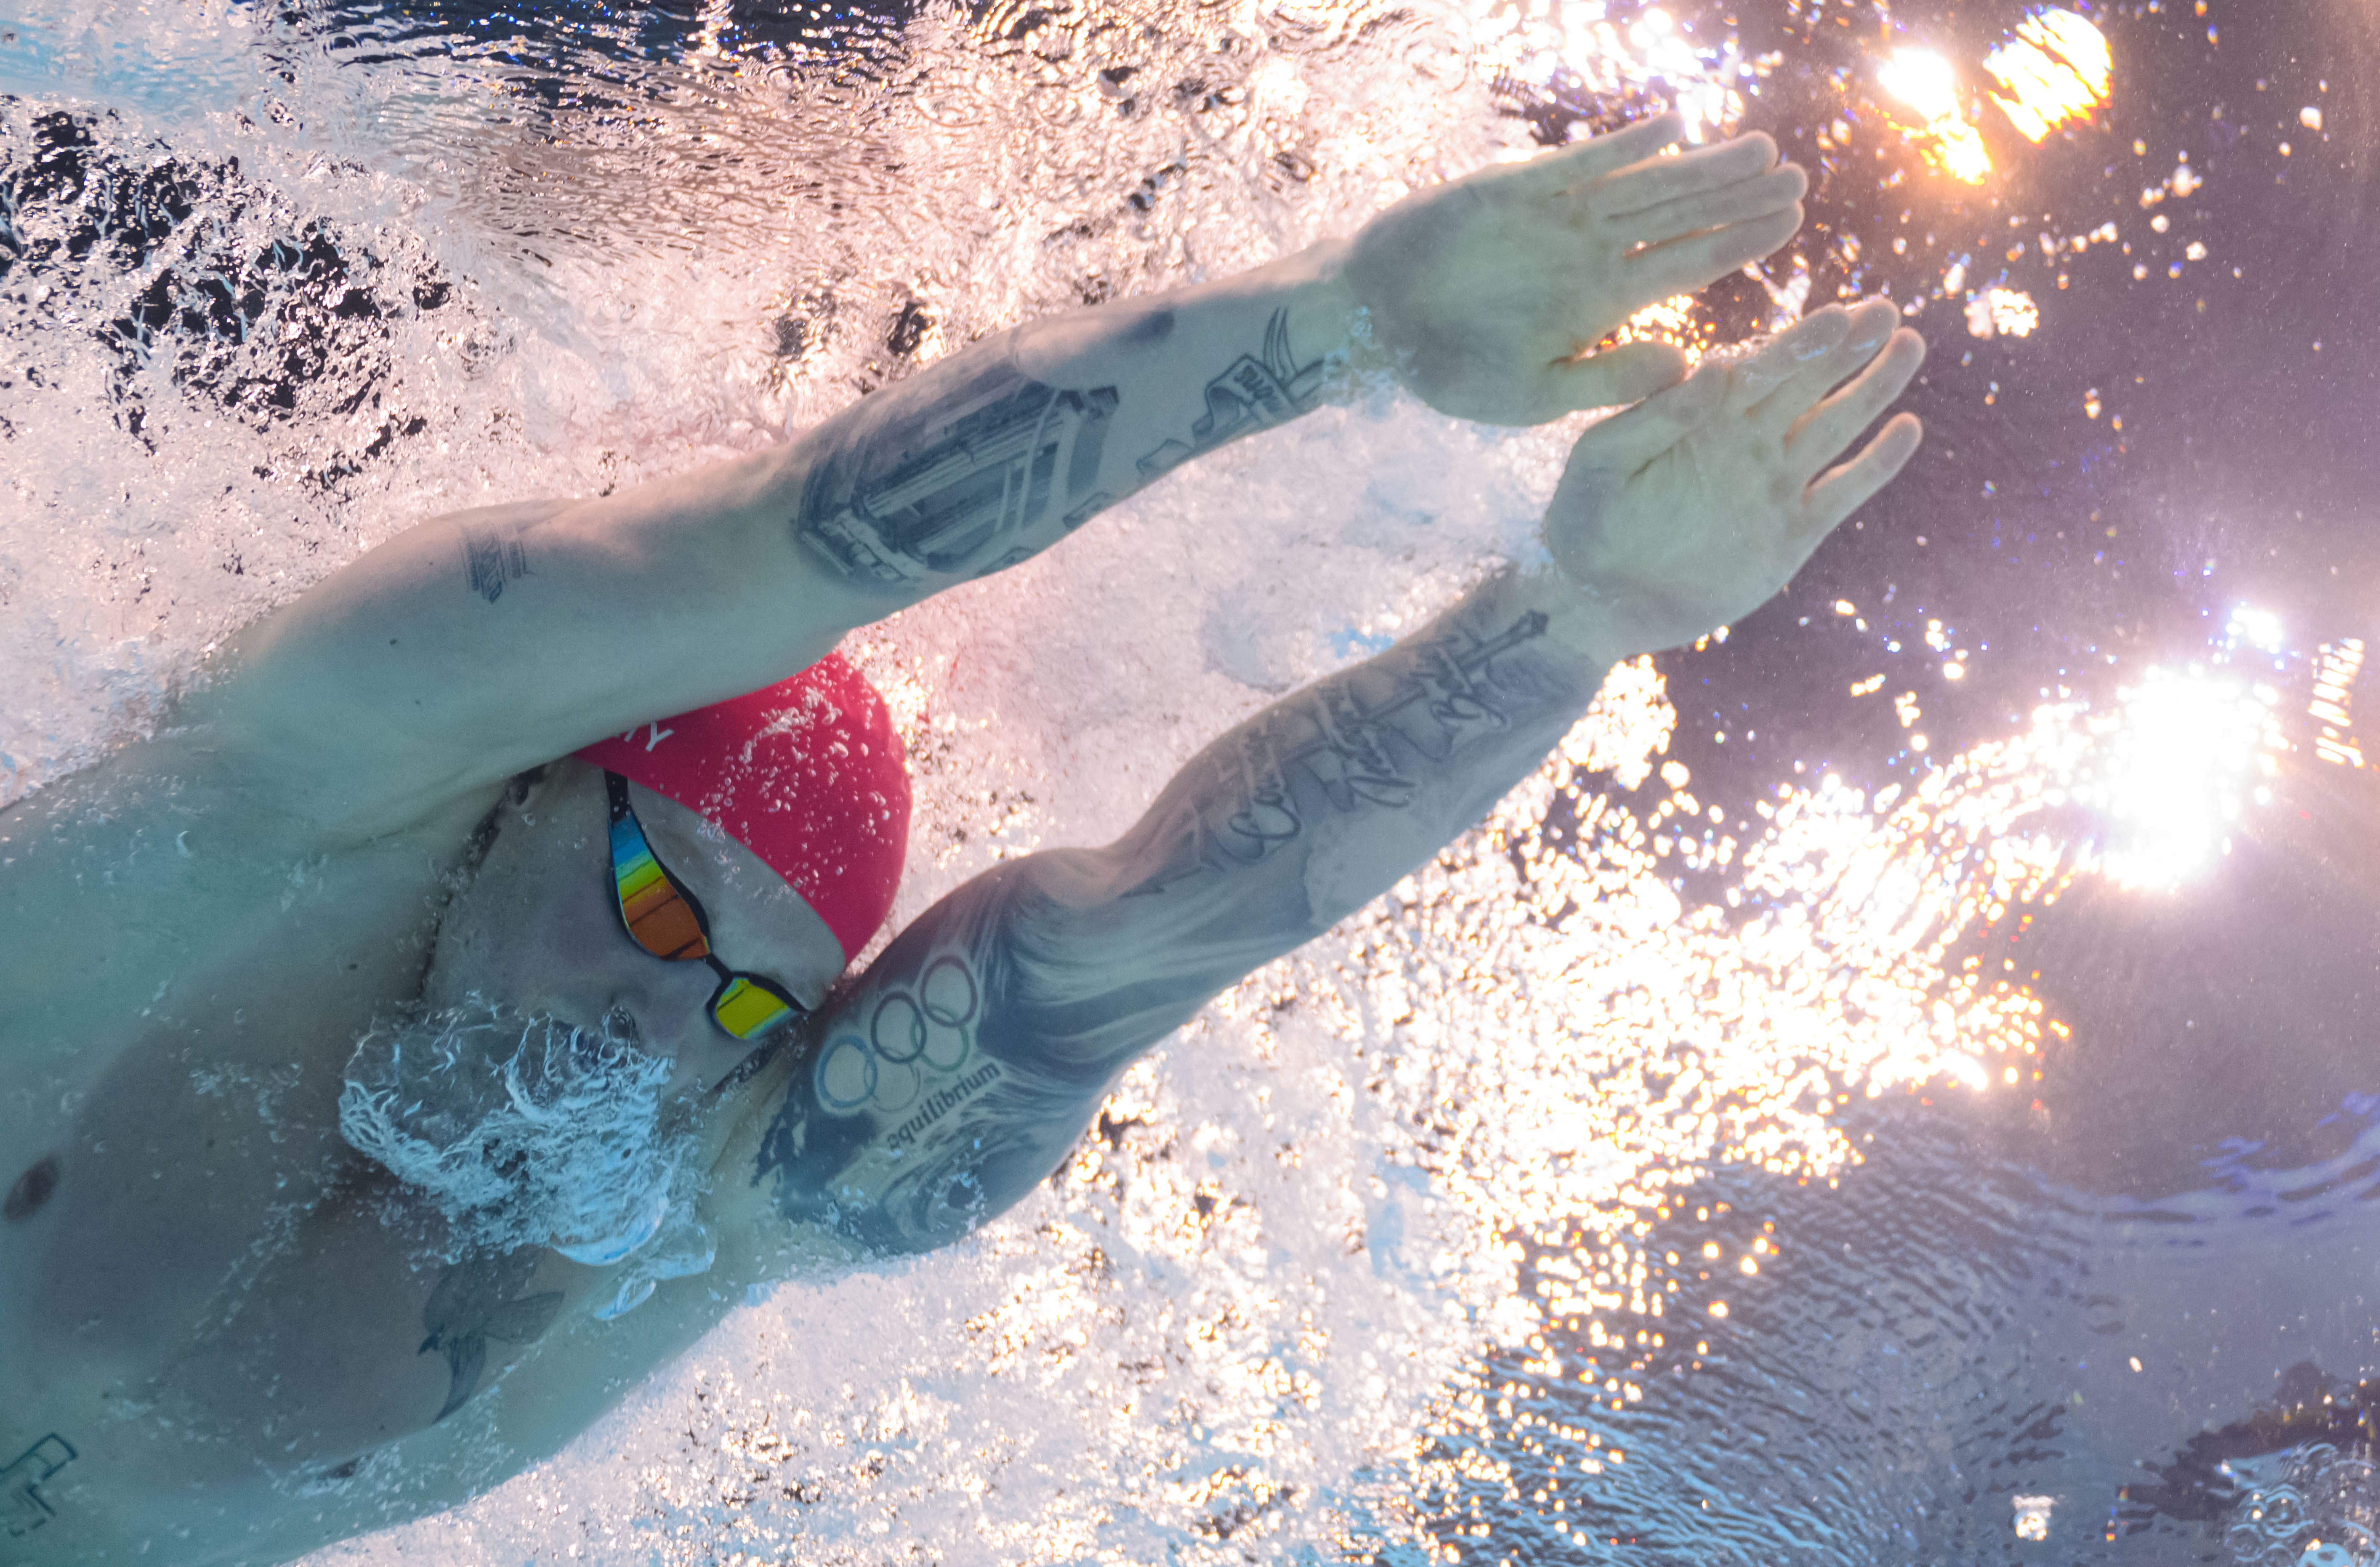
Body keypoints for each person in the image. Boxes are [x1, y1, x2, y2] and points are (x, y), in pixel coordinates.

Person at [0, 111, 1923, 1564]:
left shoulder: (694, 1206)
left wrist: (1574, 620)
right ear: (521, 792)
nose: (660, 1027)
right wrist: (1351, 325)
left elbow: (1140, 941)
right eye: (651, 903)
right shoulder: (274, 798)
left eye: (751, 1001)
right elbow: (791, 541)